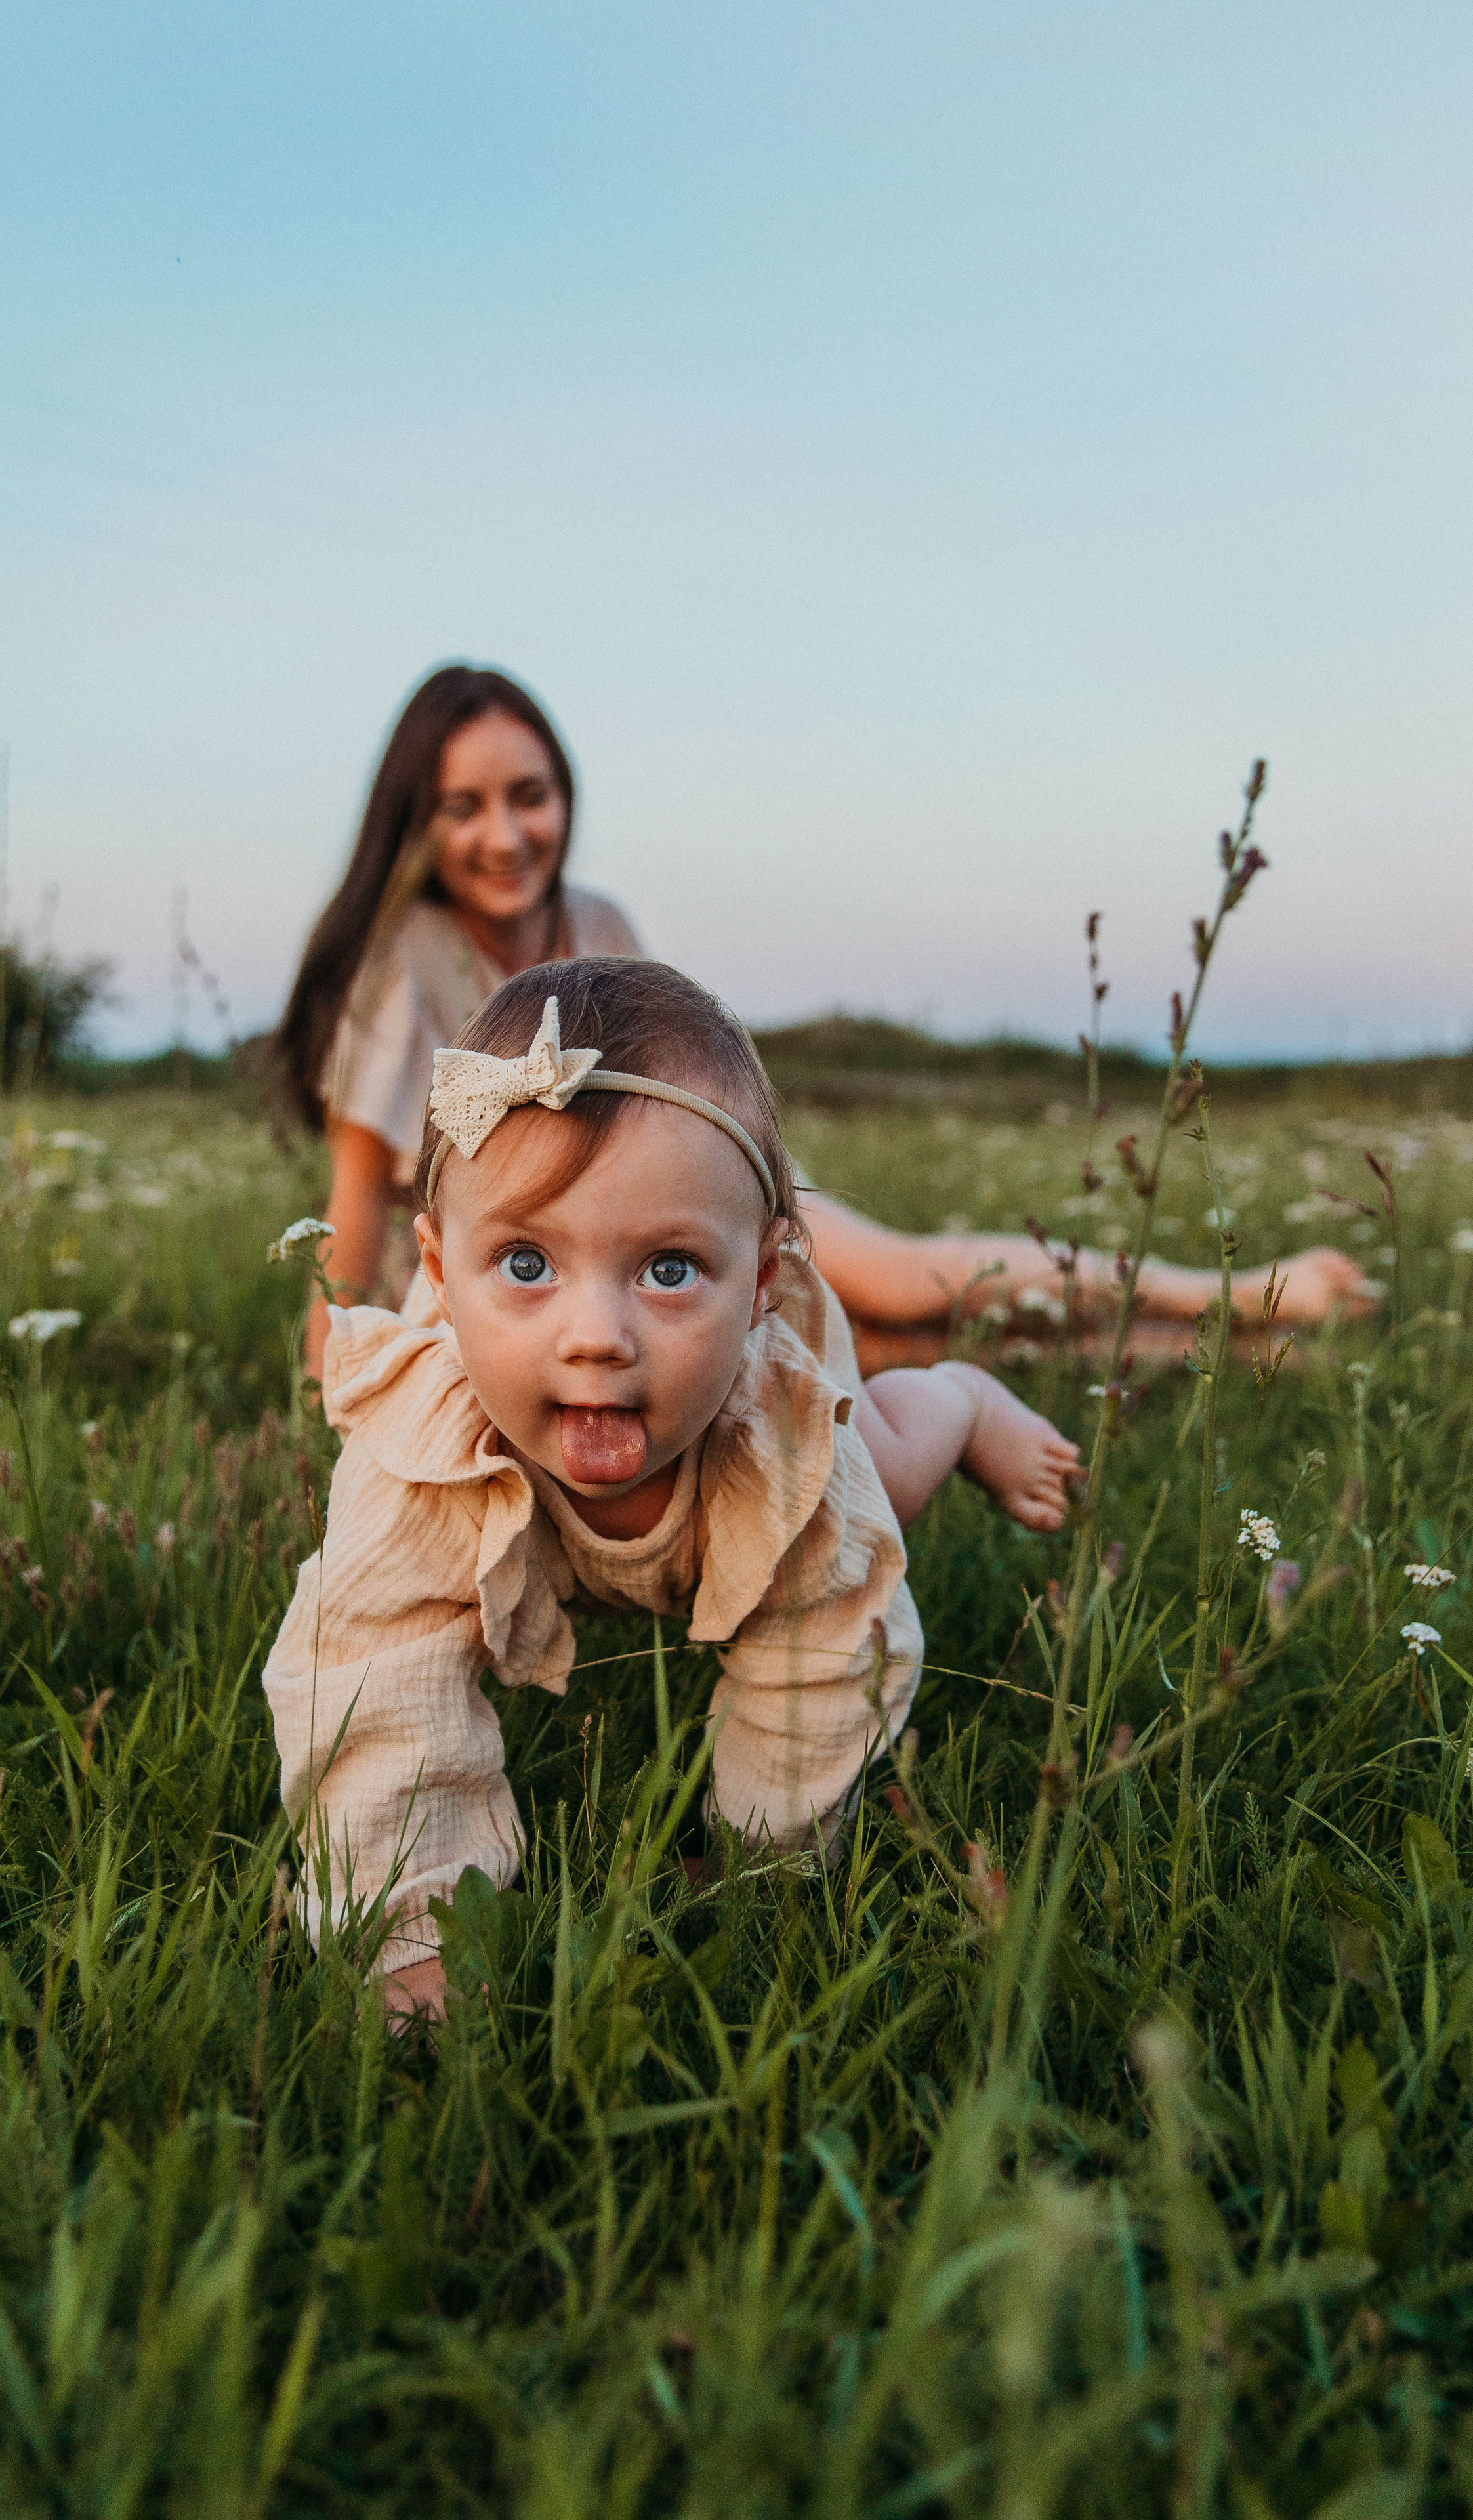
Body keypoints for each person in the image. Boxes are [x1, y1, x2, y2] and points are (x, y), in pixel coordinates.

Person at [263, 961, 1085, 2020]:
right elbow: (372, 1678)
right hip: (488, 1441)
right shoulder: (420, 1452)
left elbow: (828, 1657)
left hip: (776, 1417)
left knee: (887, 1481)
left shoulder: (780, 1440)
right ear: (438, 1268)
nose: (597, 1337)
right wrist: (415, 1932)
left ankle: (961, 1399)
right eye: (526, 1265)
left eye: (668, 1270)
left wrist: (762, 1857)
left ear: (762, 1281)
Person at [274, 665, 1373, 1390]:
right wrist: (338, 1387)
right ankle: (1207, 1351)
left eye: (530, 795)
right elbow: (354, 1206)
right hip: (524, 1275)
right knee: (879, 1349)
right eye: (463, 807)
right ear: (415, 822)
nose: (506, 835)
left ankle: (1225, 1298)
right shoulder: (401, 960)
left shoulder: (598, 923)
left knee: (900, 1283)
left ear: (565, 796)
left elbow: (675, 1101)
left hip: (676, 1212)